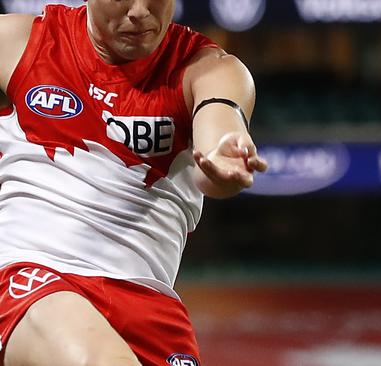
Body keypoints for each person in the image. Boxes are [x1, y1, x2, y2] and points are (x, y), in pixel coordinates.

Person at [0, 0, 268, 365]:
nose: (140, 11)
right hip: (29, 277)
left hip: (147, 305)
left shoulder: (210, 71)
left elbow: (219, 133)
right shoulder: (18, 42)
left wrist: (222, 157)